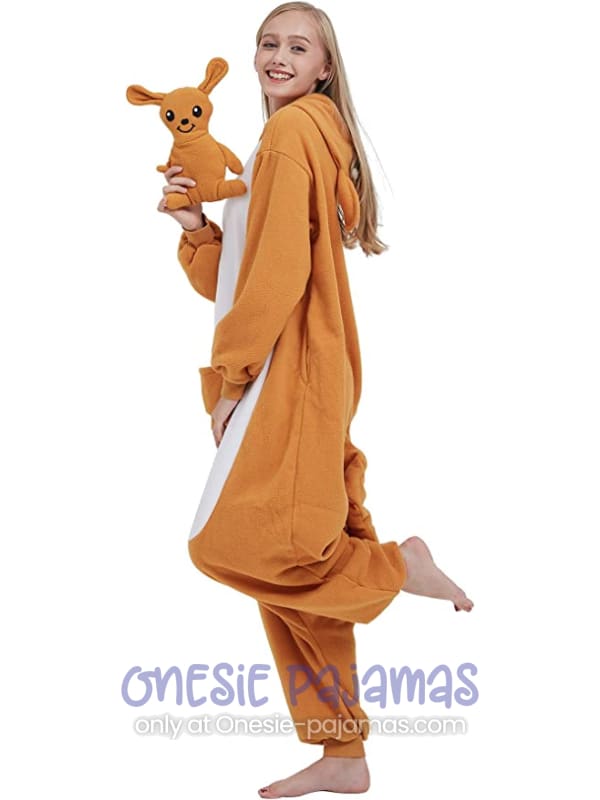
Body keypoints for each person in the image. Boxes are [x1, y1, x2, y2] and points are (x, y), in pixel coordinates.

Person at [158, 3, 474, 796]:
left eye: (298, 46)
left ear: (324, 68)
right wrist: (197, 228)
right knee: (295, 573)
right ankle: (343, 751)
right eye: (269, 42)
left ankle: (397, 568)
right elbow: (243, 278)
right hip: (308, 367)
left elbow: (275, 281)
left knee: (232, 547)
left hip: (288, 374)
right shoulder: (288, 139)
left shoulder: (293, 134)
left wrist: (232, 381)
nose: (278, 55)